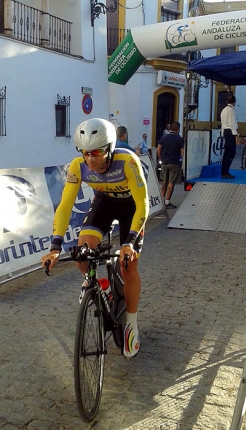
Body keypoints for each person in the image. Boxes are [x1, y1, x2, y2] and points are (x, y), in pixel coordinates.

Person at [41, 118, 149, 359]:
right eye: (86, 153)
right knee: (82, 252)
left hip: (131, 207)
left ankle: (131, 323)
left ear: (109, 148)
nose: (91, 159)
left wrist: (129, 243)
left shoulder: (127, 161)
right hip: (105, 204)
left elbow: (142, 204)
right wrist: (55, 246)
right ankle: (104, 288)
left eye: (97, 152)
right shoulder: (77, 167)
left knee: (127, 266)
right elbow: (65, 206)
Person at [157, 121, 184, 209]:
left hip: (164, 162)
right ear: (178, 129)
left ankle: (161, 200)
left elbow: (158, 149)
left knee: (164, 181)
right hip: (174, 163)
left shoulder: (164, 138)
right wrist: (183, 162)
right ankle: (167, 202)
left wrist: (161, 158)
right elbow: (182, 152)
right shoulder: (180, 139)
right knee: (171, 182)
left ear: (171, 128)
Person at [220, 94, 238, 179]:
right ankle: (225, 172)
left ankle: (224, 171)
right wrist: (236, 136)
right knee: (231, 152)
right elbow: (232, 123)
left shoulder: (224, 110)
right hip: (230, 132)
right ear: (234, 102)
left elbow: (223, 124)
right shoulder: (231, 110)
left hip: (226, 131)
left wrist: (222, 133)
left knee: (227, 153)